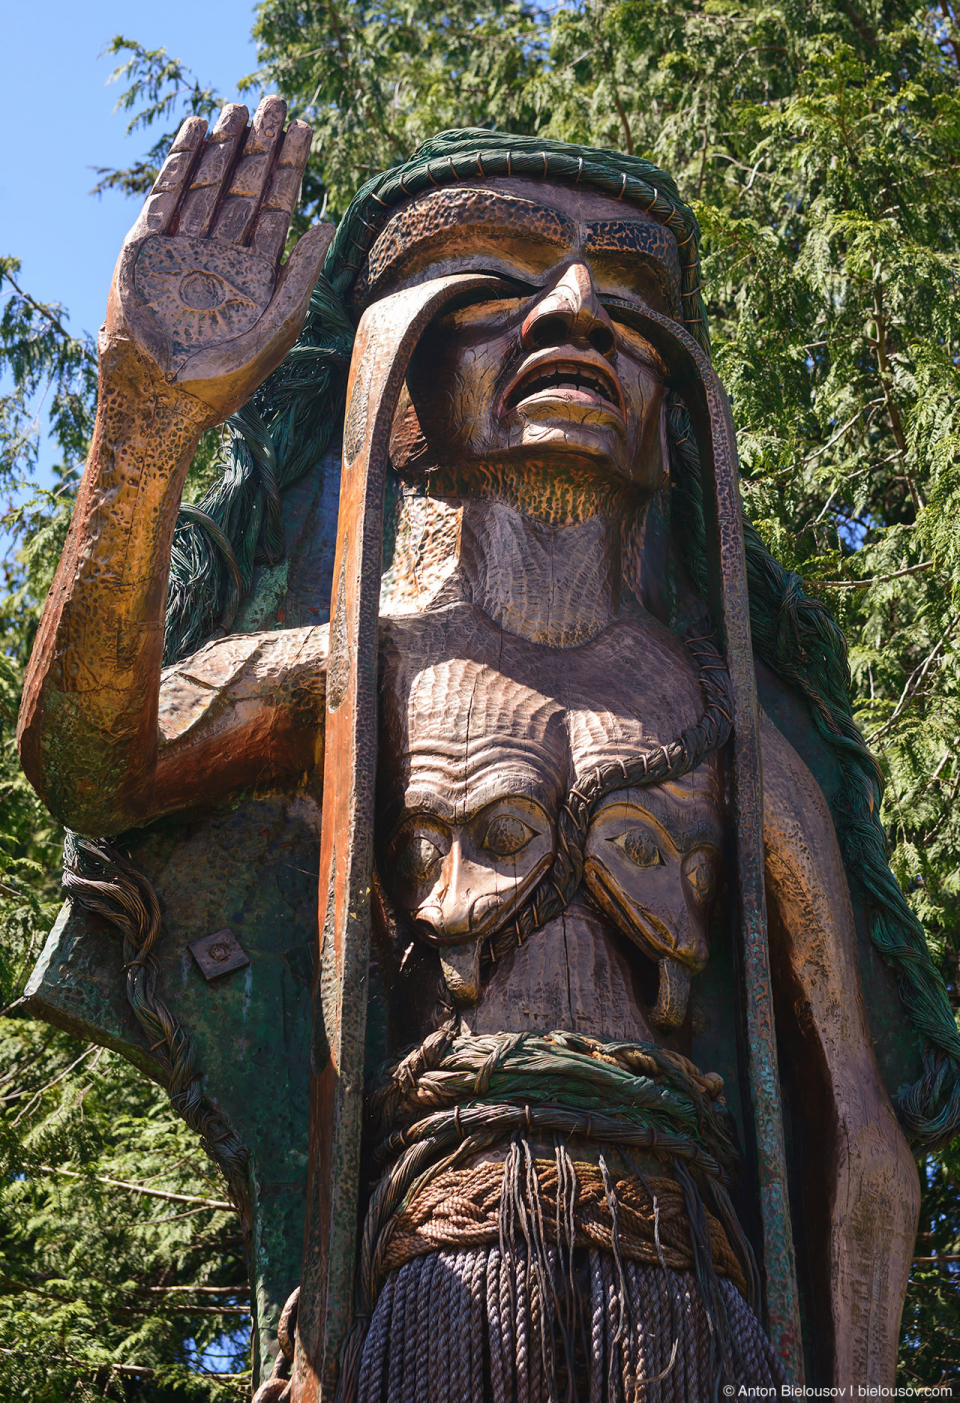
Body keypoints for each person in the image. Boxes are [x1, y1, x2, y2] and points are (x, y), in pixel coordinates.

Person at [17, 98, 934, 1398]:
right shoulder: (356, 667)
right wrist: (147, 425)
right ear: (391, 389)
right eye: (492, 281)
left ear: (672, 400)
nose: (573, 312)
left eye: (628, 289)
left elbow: (856, 1123)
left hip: (687, 1290)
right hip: (435, 1277)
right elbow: (94, 766)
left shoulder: (725, 729)